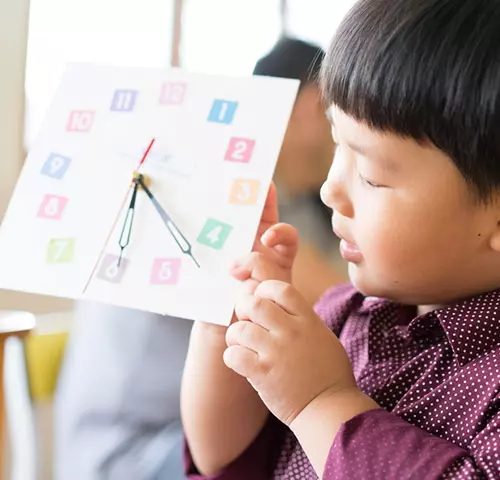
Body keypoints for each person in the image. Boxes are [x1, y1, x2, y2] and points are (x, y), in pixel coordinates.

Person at [181, 0, 500, 479]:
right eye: (339, 143)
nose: (331, 189)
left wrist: (322, 403)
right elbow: (227, 459)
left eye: (373, 175)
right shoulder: (347, 312)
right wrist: (226, 325)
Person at [53, 37, 344, 480]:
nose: (342, 145)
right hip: (136, 449)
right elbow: (335, 303)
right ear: (313, 103)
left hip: (191, 429)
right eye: (341, 122)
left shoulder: (298, 197)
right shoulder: (217, 188)